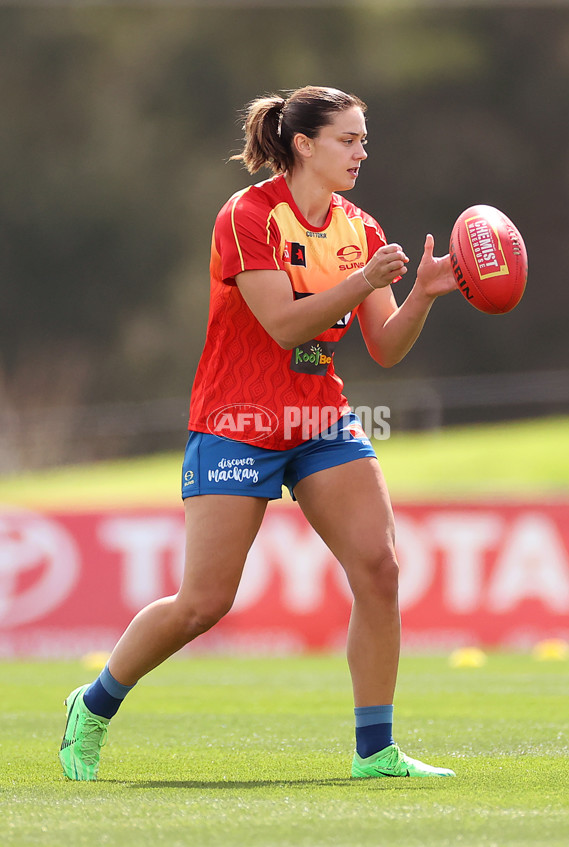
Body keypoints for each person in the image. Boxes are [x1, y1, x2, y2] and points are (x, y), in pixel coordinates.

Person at [59, 85, 458, 781]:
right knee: (204, 602)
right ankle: (92, 704)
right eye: (349, 139)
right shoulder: (247, 216)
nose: (362, 151)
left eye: (364, 139)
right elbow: (284, 323)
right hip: (235, 419)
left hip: (318, 417)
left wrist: (420, 293)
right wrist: (363, 279)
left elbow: (386, 347)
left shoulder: (359, 228)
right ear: (305, 144)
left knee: (380, 568)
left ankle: (376, 751)